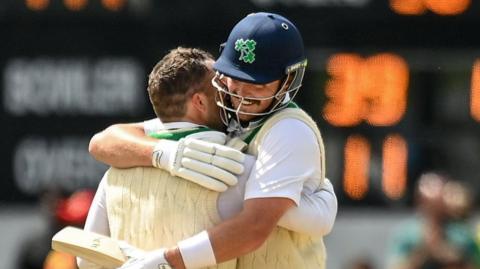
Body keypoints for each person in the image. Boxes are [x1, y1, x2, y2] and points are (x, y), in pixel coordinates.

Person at [82, 42, 336, 268]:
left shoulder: (114, 174)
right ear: (200, 103)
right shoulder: (231, 167)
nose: (231, 93)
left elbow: (86, 259)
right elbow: (305, 221)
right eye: (220, 87)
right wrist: (322, 197)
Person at [386, 172, 480, 269]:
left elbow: (472, 264)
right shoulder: (407, 233)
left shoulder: (460, 234)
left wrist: (452, 255)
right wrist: (425, 252)